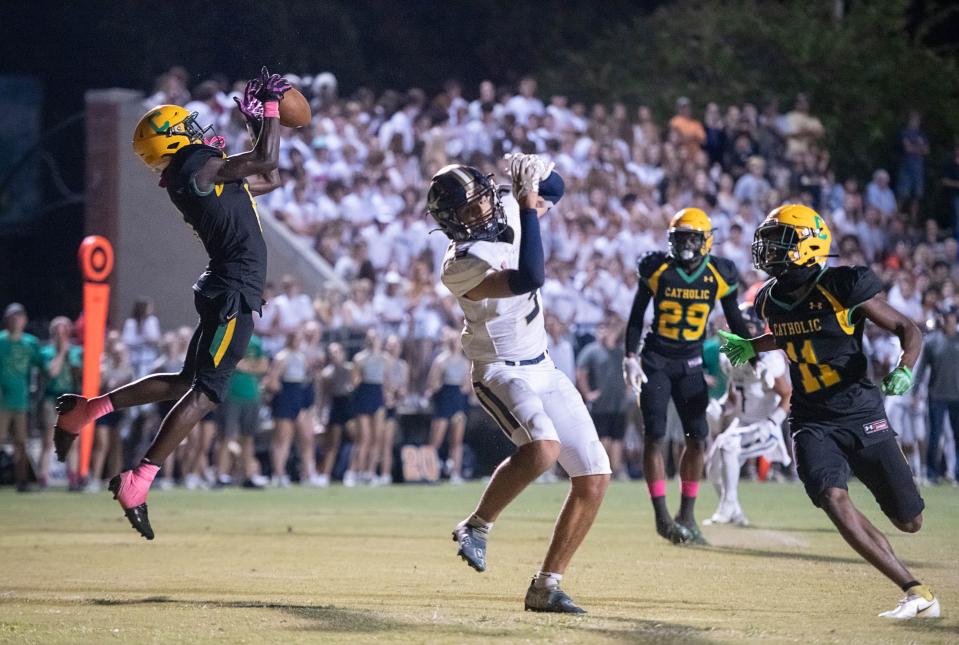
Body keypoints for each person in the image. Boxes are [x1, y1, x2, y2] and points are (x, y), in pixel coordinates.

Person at [53, 67, 287, 539]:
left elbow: (269, 176)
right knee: (206, 392)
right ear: (171, 140)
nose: (196, 130)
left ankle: (86, 411)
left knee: (187, 380)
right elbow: (265, 158)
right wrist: (272, 111)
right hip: (234, 293)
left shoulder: (195, 172)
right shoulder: (194, 167)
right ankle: (138, 482)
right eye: (185, 127)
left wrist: (258, 121)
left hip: (225, 287)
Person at [719, 204, 938, 619]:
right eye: (768, 240)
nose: (768, 249)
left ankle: (915, 588)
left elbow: (907, 329)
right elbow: (787, 334)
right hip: (810, 418)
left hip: (860, 412)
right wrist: (754, 345)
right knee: (831, 496)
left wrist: (905, 368)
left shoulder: (842, 285)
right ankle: (915, 591)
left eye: (780, 240)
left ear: (809, 243)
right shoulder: (771, 299)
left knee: (911, 521)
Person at [432, 155, 610, 614]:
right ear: (450, 223)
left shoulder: (510, 207)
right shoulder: (460, 262)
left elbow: (558, 187)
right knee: (544, 449)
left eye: (480, 202)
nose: (480, 213)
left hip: (543, 365)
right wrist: (528, 206)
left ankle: (546, 586)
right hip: (499, 369)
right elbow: (531, 275)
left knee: (594, 477)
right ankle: (477, 524)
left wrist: (534, 171)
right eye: (467, 211)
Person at [623, 208, 751, 545]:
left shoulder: (719, 273)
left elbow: (735, 319)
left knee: (698, 437)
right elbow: (637, 316)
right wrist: (630, 356)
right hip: (656, 360)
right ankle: (662, 516)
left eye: (692, 237)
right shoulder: (657, 267)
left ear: (706, 240)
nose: (686, 244)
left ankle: (687, 514)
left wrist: (754, 350)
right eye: (680, 237)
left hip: (691, 362)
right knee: (655, 435)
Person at [705, 304, 791, 526]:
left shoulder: (769, 357)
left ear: (757, 328)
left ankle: (728, 505)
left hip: (764, 426)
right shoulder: (730, 356)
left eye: (745, 327)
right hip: (742, 423)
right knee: (712, 468)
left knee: (727, 445)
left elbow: (787, 395)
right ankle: (736, 512)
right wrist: (721, 407)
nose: (740, 332)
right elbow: (735, 394)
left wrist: (773, 422)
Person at [576, 315, 629, 480]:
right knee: (602, 437)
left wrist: (627, 390)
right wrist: (588, 394)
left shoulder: (620, 351)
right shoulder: (591, 350)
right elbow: (581, 372)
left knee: (617, 438)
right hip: (600, 403)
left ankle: (617, 470)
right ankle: (602, 470)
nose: (604, 332)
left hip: (619, 402)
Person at [266, 330, 319, 487]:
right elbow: (272, 381)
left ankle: (308, 473)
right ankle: (279, 474)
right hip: (286, 397)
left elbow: (305, 377)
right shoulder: (282, 357)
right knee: (283, 438)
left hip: (299, 397)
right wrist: (281, 394)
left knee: (307, 438)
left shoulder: (301, 357)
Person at [215, 334, 269, 489]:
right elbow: (228, 363)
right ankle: (220, 475)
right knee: (225, 436)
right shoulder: (226, 336)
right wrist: (250, 366)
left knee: (248, 438)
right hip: (230, 394)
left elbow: (263, 366)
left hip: (251, 395)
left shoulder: (256, 340)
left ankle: (248, 475)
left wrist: (246, 366)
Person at [914, 305, 959, 484]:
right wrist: (915, 391)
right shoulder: (932, 341)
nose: (947, 319)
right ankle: (932, 474)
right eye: (945, 316)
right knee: (935, 436)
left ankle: (956, 473)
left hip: (957, 396)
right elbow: (922, 369)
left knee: (958, 437)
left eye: (950, 316)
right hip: (937, 395)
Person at [0, 303, 41, 492]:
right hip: (2, 400)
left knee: (21, 442)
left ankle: (22, 480)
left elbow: (42, 365)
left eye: (20, 317)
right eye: (13, 317)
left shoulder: (30, 343)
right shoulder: (1, 341)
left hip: (21, 401)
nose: (17, 321)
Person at [39, 316, 83, 488]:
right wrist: (61, 353)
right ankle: (43, 477)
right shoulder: (46, 352)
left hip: (71, 400)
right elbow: (52, 373)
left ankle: (73, 478)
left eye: (64, 330)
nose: (61, 334)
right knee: (48, 440)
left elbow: (77, 375)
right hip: (52, 399)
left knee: (73, 440)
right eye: (58, 331)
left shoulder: (76, 352)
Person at [424, 328, 471, 483]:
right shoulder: (441, 360)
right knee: (436, 438)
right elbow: (432, 384)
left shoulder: (465, 362)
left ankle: (455, 473)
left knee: (457, 441)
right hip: (444, 399)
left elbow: (466, 386)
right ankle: (429, 471)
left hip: (458, 400)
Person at [345, 329, 388, 486]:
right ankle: (353, 471)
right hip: (364, 394)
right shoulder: (360, 358)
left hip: (377, 394)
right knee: (364, 437)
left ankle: (369, 472)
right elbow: (354, 382)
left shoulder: (384, 358)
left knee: (377, 437)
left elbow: (385, 380)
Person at [318, 342, 353, 485]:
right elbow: (323, 396)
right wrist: (321, 414)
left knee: (357, 440)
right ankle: (325, 474)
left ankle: (353, 472)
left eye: (337, 352)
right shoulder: (327, 374)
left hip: (349, 406)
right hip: (336, 406)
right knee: (332, 443)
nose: (335, 355)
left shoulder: (350, 369)